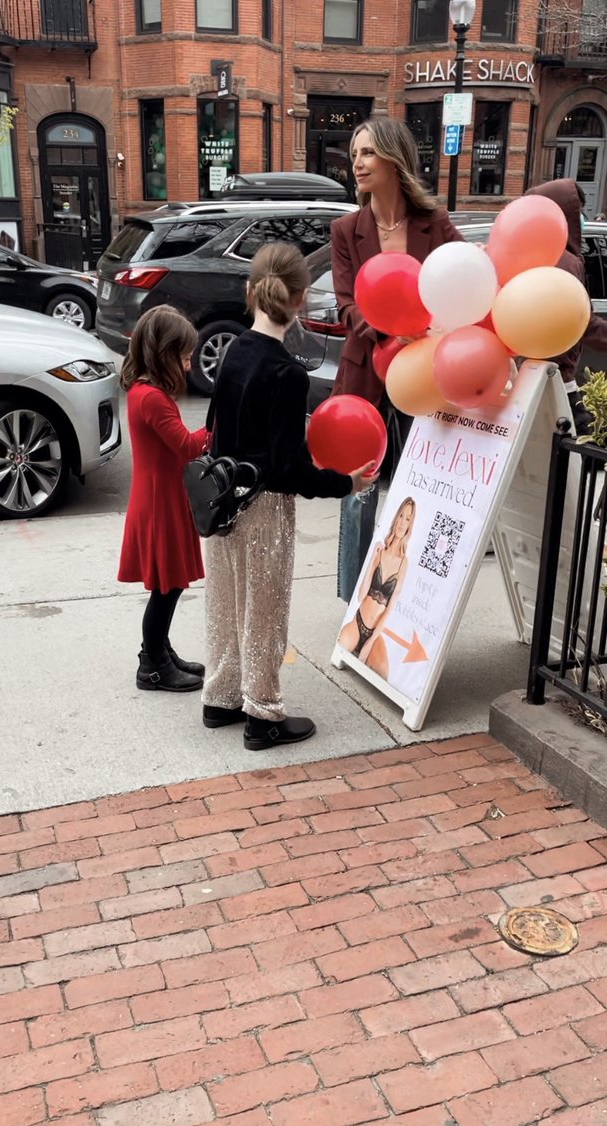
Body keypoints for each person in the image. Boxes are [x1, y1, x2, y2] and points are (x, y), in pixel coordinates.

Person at [202, 242, 376, 751]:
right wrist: (348, 483)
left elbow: (217, 430)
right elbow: (287, 470)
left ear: (250, 292)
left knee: (225, 602)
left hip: (221, 500)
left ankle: (221, 697)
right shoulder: (287, 372)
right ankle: (263, 713)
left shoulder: (232, 349)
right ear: (300, 301)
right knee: (265, 609)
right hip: (262, 507)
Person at [330, 116, 463, 604]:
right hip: (366, 373)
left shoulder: (436, 224)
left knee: (422, 487)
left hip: (425, 376)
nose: (357, 164)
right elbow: (348, 304)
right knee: (359, 490)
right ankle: (351, 605)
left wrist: (429, 331)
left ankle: (411, 601)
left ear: (393, 158)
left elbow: (464, 283)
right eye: (354, 155)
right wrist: (394, 331)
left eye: (367, 153)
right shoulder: (346, 229)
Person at [118, 305, 208, 693]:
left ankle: (160, 650)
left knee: (169, 586)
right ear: (164, 354)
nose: (189, 367)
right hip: (159, 504)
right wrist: (220, 421)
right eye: (185, 357)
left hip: (161, 496)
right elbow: (188, 446)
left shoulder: (146, 391)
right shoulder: (151, 398)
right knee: (166, 587)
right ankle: (152, 664)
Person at [525, 179, 607, 437]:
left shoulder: (531, 250)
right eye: (578, 212)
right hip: (557, 377)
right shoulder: (564, 260)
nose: (581, 219)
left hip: (528, 373)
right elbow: (578, 320)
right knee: (574, 454)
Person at [338, 497, 415, 679]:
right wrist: (372, 562)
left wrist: (371, 641)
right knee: (341, 647)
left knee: (384, 676)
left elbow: (390, 607)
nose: (402, 522)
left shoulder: (404, 563)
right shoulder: (381, 552)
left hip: (374, 632)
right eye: (401, 516)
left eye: (408, 519)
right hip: (357, 622)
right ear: (396, 517)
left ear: (410, 525)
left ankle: (367, 645)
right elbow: (360, 597)